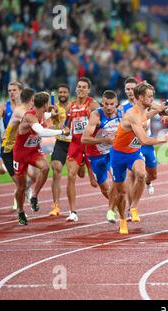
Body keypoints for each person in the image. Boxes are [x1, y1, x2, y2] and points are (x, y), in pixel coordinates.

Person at [110, 81, 168, 234]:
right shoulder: (132, 115)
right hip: (118, 155)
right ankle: (122, 219)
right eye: (150, 97)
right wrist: (164, 139)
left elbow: (149, 113)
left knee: (142, 175)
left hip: (133, 153)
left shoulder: (143, 109)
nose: (152, 99)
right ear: (141, 98)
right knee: (120, 192)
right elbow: (144, 140)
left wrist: (160, 110)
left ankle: (134, 207)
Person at [13, 92, 70, 225]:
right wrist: (61, 131)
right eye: (48, 104)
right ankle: (21, 211)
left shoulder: (42, 114)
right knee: (21, 187)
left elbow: (46, 115)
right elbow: (41, 132)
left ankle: (34, 196)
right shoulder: (30, 117)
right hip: (20, 154)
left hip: (33, 151)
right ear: (45, 105)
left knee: (45, 168)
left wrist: (52, 114)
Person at [81, 90, 122, 223]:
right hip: (96, 155)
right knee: (104, 188)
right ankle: (116, 205)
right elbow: (84, 139)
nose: (109, 107)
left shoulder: (121, 114)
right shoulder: (96, 115)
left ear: (116, 104)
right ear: (102, 103)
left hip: (112, 153)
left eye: (111, 104)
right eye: (106, 104)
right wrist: (105, 140)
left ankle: (111, 210)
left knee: (117, 180)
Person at [65, 77, 100, 222]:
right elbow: (66, 125)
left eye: (84, 87)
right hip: (75, 145)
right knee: (71, 175)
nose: (80, 89)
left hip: (90, 145)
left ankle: (115, 208)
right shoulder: (70, 106)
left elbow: (100, 122)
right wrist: (65, 128)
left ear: (88, 90)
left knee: (95, 183)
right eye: (79, 86)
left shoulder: (92, 105)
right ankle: (73, 212)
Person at [0, 87, 38, 210]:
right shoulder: (21, 111)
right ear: (32, 99)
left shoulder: (29, 110)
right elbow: (29, 119)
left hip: (20, 149)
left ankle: (26, 189)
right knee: (19, 184)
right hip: (8, 150)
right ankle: (21, 211)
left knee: (33, 176)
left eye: (14, 90)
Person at [0, 81, 22, 175]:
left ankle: (25, 187)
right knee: (1, 169)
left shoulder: (25, 106)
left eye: (14, 90)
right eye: (9, 90)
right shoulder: (4, 106)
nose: (11, 92)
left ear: (20, 91)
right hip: (8, 143)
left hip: (21, 143)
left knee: (23, 172)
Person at [49, 84, 72, 216]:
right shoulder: (54, 107)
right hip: (61, 143)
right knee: (57, 170)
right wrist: (53, 116)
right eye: (60, 92)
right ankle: (56, 205)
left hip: (74, 144)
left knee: (75, 173)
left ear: (69, 94)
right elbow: (50, 124)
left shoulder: (74, 107)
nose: (62, 94)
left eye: (64, 92)